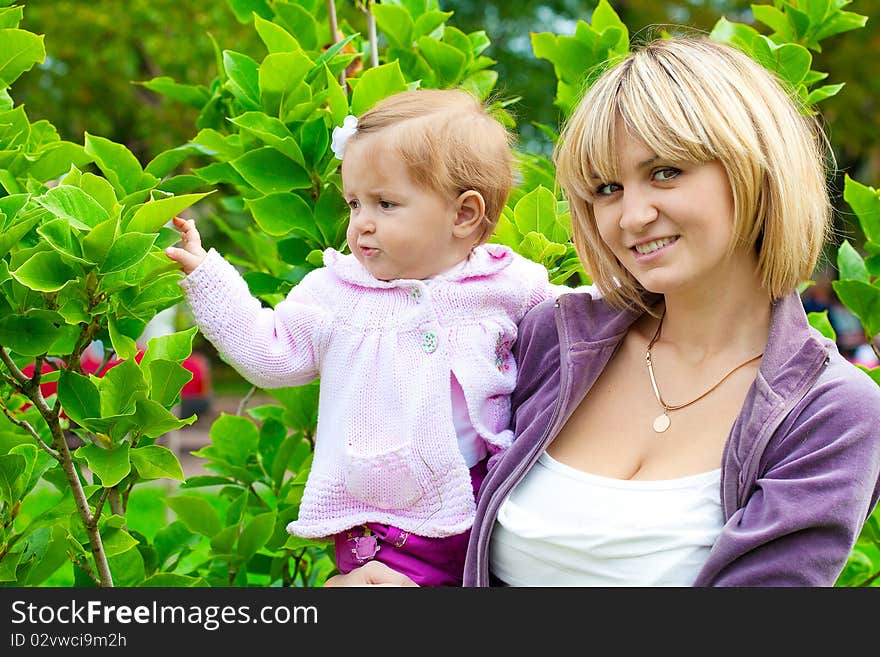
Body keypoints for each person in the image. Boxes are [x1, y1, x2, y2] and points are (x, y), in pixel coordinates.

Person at [327, 36, 880, 587]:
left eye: (666, 171)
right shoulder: (553, 339)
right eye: (607, 188)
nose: (633, 216)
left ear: (754, 169)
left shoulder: (831, 415)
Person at [165, 88, 562, 586]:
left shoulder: (506, 283)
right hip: (382, 526)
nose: (361, 224)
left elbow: (578, 320)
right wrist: (207, 277)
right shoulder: (337, 292)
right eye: (354, 203)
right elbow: (270, 352)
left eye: (385, 203)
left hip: (485, 506)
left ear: (463, 215)